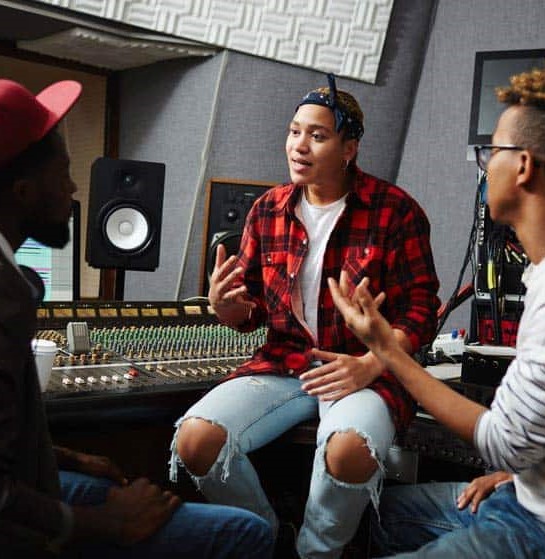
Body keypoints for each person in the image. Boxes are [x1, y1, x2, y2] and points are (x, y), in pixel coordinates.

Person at [0, 78, 273, 559]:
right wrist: (108, 524)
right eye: (63, 172)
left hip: (15, 481)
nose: (73, 188)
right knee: (245, 532)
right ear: (22, 191)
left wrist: (65, 457)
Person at [170, 73, 440, 558]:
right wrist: (227, 308)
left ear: (349, 148)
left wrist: (373, 363)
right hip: (286, 364)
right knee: (195, 441)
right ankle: (269, 540)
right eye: (295, 131)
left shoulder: (396, 211)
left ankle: (315, 553)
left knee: (350, 451)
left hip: (363, 368)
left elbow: (422, 311)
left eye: (318, 135)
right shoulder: (267, 210)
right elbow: (251, 310)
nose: (299, 145)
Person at [327, 66, 545, 559]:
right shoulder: (537, 274)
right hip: (518, 491)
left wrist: (387, 350)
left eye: (491, 152)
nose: (484, 166)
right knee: (362, 516)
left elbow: (501, 441)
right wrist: (521, 473)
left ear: (523, 167)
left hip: (536, 528)